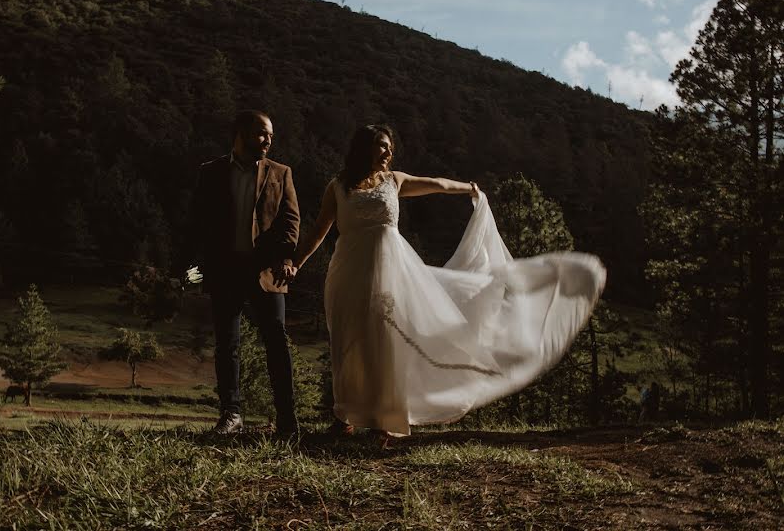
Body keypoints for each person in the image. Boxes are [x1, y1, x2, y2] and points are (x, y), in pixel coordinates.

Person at [290, 124, 606, 440]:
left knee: (381, 341)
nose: (388, 152)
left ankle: (382, 419)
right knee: (347, 339)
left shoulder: (394, 181)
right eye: (382, 145)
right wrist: (296, 263)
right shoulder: (338, 186)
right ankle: (344, 413)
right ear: (365, 147)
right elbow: (319, 230)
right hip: (348, 270)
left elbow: (437, 184)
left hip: (389, 270)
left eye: (390, 147)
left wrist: (468, 189)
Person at [189, 110, 300, 435]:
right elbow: (198, 221)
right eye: (262, 133)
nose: (267, 140)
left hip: (267, 271)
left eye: (270, 136)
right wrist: (192, 266)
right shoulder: (210, 172)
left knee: (276, 342)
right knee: (227, 343)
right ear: (241, 132)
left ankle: (287, 419)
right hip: (225, 270)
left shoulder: (281, 173)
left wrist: (285, 256)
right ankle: (232, 414)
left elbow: (290, 219)